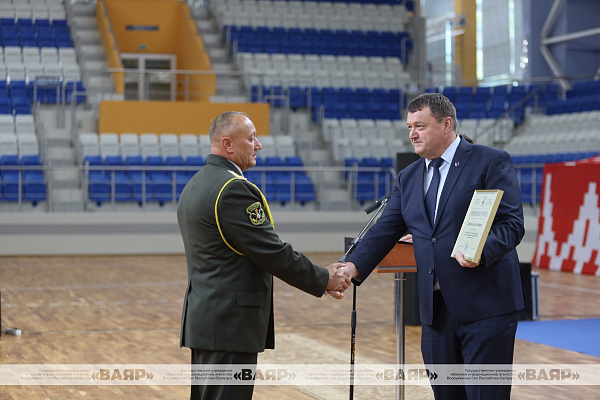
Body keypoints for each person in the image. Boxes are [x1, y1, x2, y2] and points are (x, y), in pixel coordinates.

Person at [341, 93, 525, 400]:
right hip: (436, 311)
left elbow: (511, 224)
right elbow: (386, 228)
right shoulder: (409, 176)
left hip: (486, 306)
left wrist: (481, 249)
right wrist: (352, 265)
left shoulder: (489, 160)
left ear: (446, 124)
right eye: (409, 126)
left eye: (420, 125)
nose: (412, 133)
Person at [176, 111, 350, 400]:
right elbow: (271, 252)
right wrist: (324, 279)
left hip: (207, 321)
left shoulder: (196, 184)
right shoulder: (233, 190)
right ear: (227, 144)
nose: (258, 145)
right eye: (251, 138)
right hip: (230, 324)